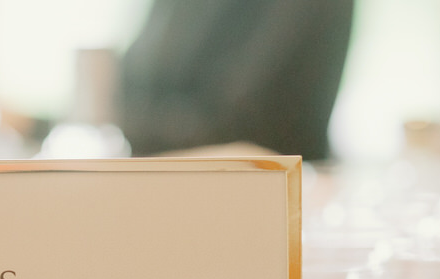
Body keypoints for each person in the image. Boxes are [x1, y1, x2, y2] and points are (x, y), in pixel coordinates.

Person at [119, 0, 356, 160]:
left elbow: (241, 123)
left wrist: (139, 124)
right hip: (160, 188)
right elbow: (121, 87)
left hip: (266, 202)